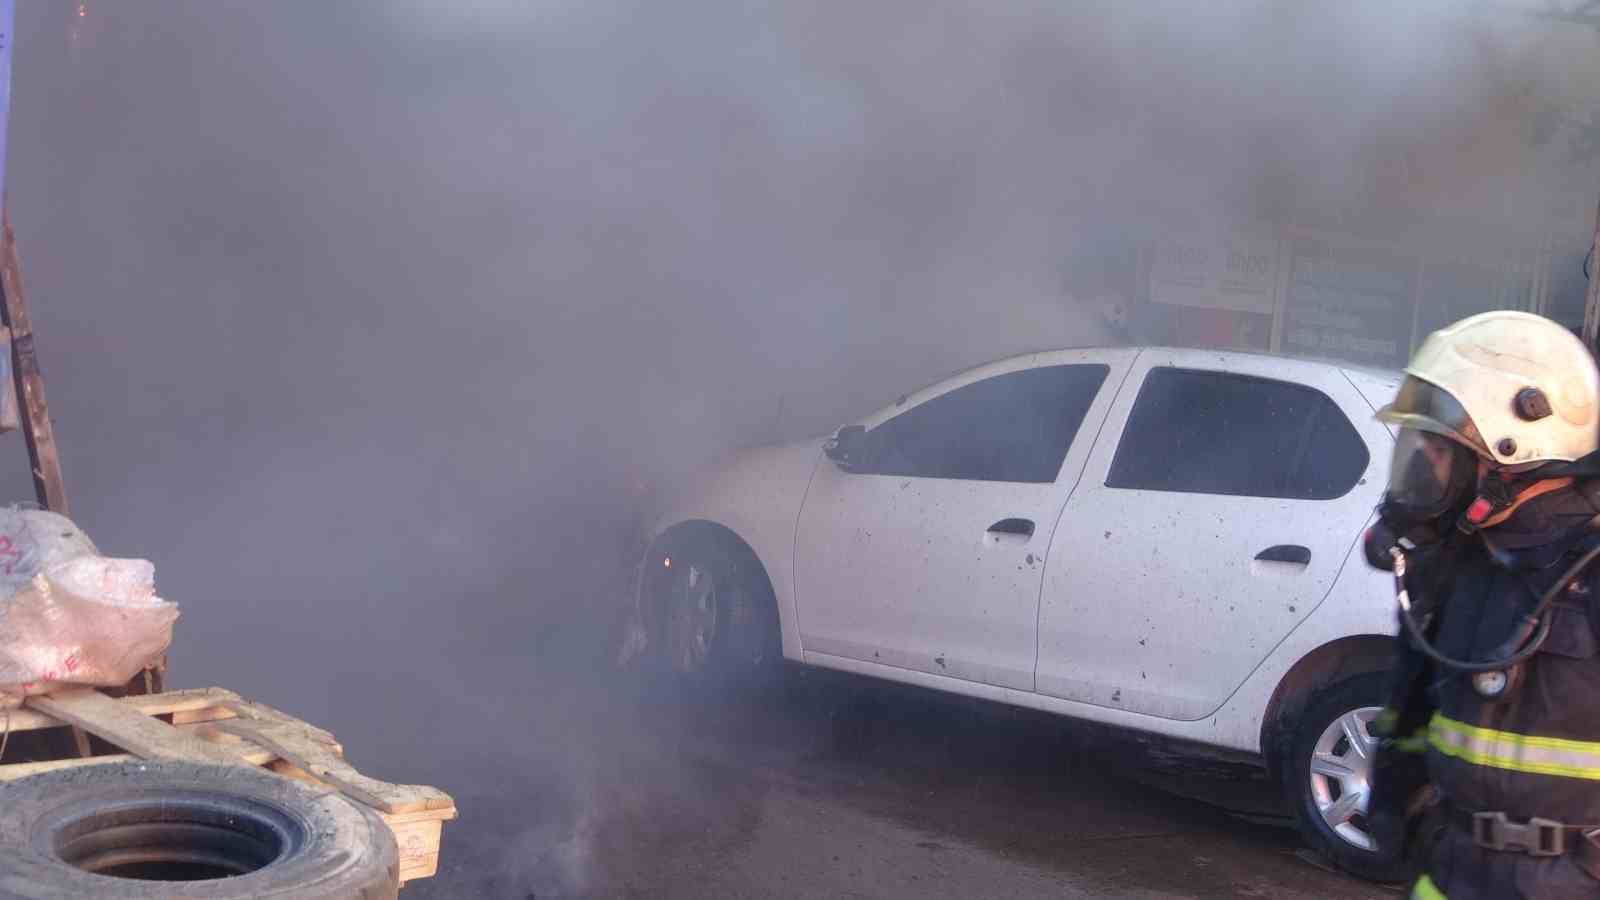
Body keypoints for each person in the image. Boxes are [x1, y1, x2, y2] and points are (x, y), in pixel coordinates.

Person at [1363, 310, 1600, 899]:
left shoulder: (1589, 575)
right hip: (1451, 873)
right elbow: (1414, 711)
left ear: (1511, 450)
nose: (1423, 469)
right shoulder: (1457, 566)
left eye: (1438, 451)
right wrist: (1399, 805)